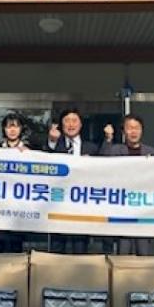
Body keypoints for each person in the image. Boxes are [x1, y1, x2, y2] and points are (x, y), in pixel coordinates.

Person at [100, 114, 154, 255]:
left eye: (137, 128)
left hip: (144, 211)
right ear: (123, 131)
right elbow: (102, 164)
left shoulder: (151, 152)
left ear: (142, 131)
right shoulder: (115, 150)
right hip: (122, 210)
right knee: (123, 252)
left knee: (143, 252)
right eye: (129, 128)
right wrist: (108, 139)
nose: (133, 132)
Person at [45, 108, 99, 253]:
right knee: (57, 247)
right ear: (61, 125)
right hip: (58, 201)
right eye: (67, 121)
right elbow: (44, 161)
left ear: (80, 124)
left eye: (74, 121)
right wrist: (52, 141)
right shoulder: (54, 144)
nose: (71, 124)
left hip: (81, 202)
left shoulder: (92, 148)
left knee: (79, 247)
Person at [0, 113, 30, 253]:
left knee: (16, 252)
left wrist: (29, 155)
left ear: (21, 129)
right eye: (9, 126)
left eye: (15, 126)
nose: (12, 130)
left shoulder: (29, 150)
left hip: (18, 210)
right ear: (4, 129)